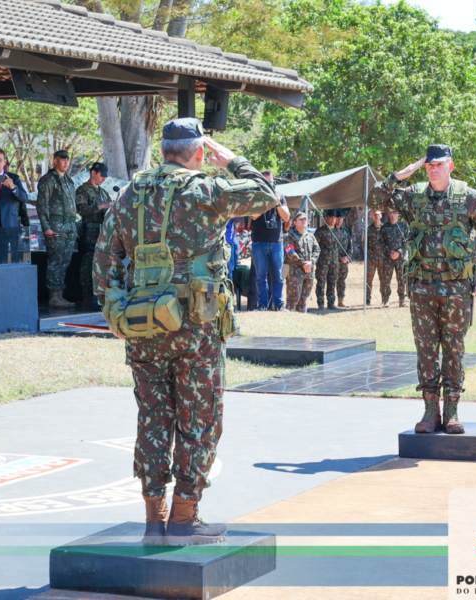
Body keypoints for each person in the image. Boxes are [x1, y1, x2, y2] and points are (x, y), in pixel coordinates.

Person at [93, 118, 276, 546]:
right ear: (198, 153)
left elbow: (104, 259)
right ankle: (184, 517)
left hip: (143, 326)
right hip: (196, 328)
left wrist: (114, 313)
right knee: (201, 418)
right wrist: (228, 158)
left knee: (153, 418)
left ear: (162, 153)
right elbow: (266, 193)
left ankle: (153, 521)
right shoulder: (206, 191)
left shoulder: (128, 194)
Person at [369, 144, 476, 435]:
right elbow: (375, 199)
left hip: (456, 288)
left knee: (454, 349)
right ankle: (430, 410)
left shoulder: (469, 198)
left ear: (450, 165)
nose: (433, 169)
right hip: (422, 288)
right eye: (429, 164)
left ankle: (452, 410)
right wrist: (402, 174)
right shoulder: (413, 195)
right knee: (426, 350)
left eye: (439, 164)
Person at [37, 149, 79, 308]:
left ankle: (60, 295)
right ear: (55, 161)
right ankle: (54, 296)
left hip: (69, 226)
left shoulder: (68, 180)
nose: (66, 162)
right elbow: (42, 205)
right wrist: (46, 227)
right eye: (62, 159)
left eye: (67, 159)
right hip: (55, 226)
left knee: (65, 261)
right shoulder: (48, 180)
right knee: (55, 261)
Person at [247, 170, 289, 310]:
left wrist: (276, 203)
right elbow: (253, 216)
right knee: (260, 276)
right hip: (259, 241)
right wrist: (265, 202)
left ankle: (278, 304)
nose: (268, 185)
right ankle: (262, 304)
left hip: (276, 242)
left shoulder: (280, 196)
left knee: (277, 275)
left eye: (270, 182)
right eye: (265, 183)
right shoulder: (255, 197)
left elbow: (286, 217)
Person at [76, 162, 112, 303]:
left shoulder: (103, 192)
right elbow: (81, 210)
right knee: (87, 265)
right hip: (88, 235)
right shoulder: (82, 190)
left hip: (102, 235)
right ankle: (86, 294)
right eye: (101, 176)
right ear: (93, 173)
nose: (104, 179)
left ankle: (99, 293)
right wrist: (101, 206)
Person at [283, 212, 319, 312]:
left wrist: (311, 262)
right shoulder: (289, 236)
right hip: (296, 272)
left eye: (305, 219)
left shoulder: (310, 236)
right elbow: (290, 252)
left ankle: (301, 318)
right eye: (301, 219)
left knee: (304, 298)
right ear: (294, 222)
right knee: (293, 299)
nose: (304, 221)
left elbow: (317, 250)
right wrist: (303, 263)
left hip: (308, 272)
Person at [314, 210, 342, 309]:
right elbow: (315, 245)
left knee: (332, 282)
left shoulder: (338, 232)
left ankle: (331, 303)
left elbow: (340, 247)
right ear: (326, 218)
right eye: (331, 217)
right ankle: (320, 303)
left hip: (334, 262)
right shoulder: (320, 231)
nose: (333, 219)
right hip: (323, 262)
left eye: (335, 217)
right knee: (321, 282)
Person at [380, 211, 408, 307]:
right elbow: (381, 243)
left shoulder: (404, 227)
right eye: (391, 212)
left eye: (395, 213)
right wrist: (389, 252)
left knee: (402, 279)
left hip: (400, 258)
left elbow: (407, 241)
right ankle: (385, 300)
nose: (393, 215)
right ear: (388, 214)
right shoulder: (384, 228)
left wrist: (399, 252)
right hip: (388, 258)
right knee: (386, 280)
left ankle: (402, 299)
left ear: (398, 214)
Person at [365, 210, 386, 304]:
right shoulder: (368, 229)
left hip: (383, 259)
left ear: (381, 216)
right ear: (372, 216)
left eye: (378, 214)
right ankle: (367, 299)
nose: (376, 216)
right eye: (375, 215)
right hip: (371, 259)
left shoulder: (385, 228)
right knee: (368, 279)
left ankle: (384, 299)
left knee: (384, 280)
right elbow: (364, 244)